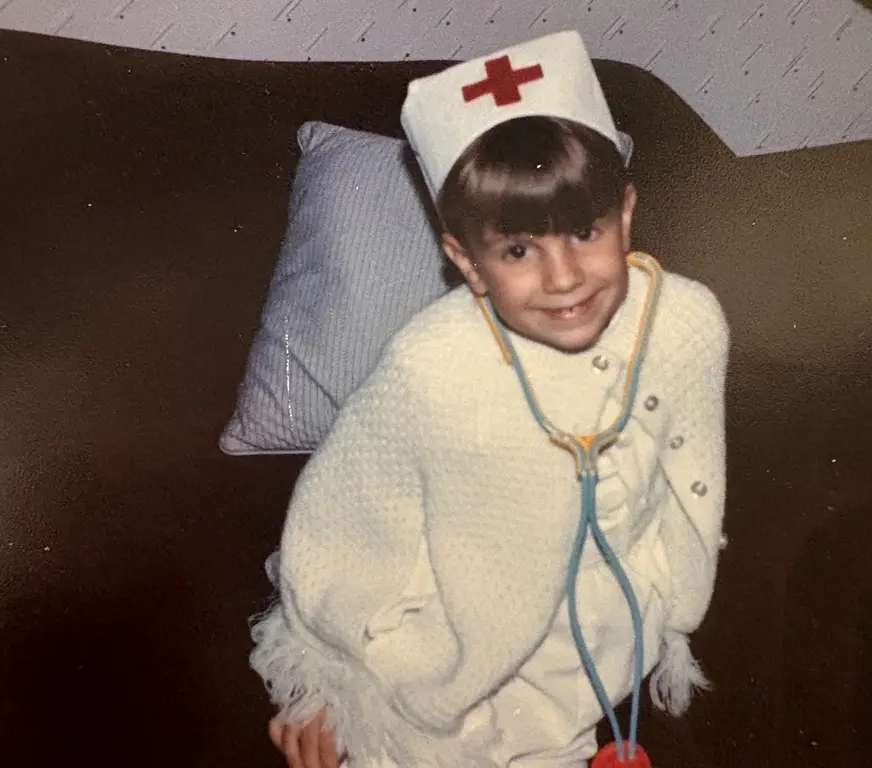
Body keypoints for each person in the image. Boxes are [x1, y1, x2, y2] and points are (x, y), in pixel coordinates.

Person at [251, 30, 729, 768]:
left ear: (626, 216)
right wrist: (323, 680)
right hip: (443, 669)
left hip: (597, 659)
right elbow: (342, 521)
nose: (564, 276)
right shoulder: (433, 365)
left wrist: (666, 597)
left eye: (583, 231)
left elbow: (687, 475)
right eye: (516, 250)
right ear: (466, 263)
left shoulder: (686, 321)